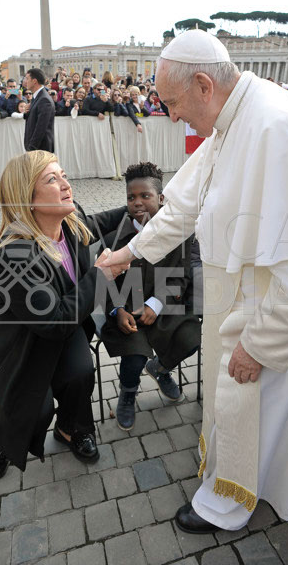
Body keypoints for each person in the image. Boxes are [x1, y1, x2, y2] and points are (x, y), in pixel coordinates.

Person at [95, 29, 288, 554]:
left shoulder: (277, 128)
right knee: (245, 410)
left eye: (173, 103)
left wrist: (259, 346)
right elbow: (183, 208)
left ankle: (232, 502)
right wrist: (128, 253)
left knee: (256, 408)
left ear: (203, 85)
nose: (171, 116)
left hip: (279, 312)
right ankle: (236, 480)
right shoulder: (231, 121)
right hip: (245, 298)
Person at [0, 150, 127, 477]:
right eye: (52, 179)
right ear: (28, 198)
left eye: (64, 175)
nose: (66, 185)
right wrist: (102, 274)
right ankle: (2, 440)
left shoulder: (68, 220)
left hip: (61, 323)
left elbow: (94, 224)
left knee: (81, 373)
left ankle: (71, 428)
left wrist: (132, 212)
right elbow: (53, 322)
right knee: (35, 407)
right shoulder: (15, 256)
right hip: (19, 341)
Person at [100, 162, 201, 430]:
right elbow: (104, 282)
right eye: (131, 197)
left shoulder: (178, 234)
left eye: (145, 195)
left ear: (161, 198)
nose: (137, 202)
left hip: (164, 306)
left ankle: (161, 368)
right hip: (128, 309)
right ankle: (128, 392)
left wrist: (156, 304)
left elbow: (181, 276)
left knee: (191, 338)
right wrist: (118, 310)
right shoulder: (114, 238)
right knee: (133, 355)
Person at [23, 68, 55, 152]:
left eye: (27, 78)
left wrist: (31, 148)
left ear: (34, 81)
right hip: (36, 148)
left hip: (41, 149)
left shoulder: (44, 99)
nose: (25, 81)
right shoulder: (36, 97)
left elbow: (41, 128)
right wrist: (26, 113)